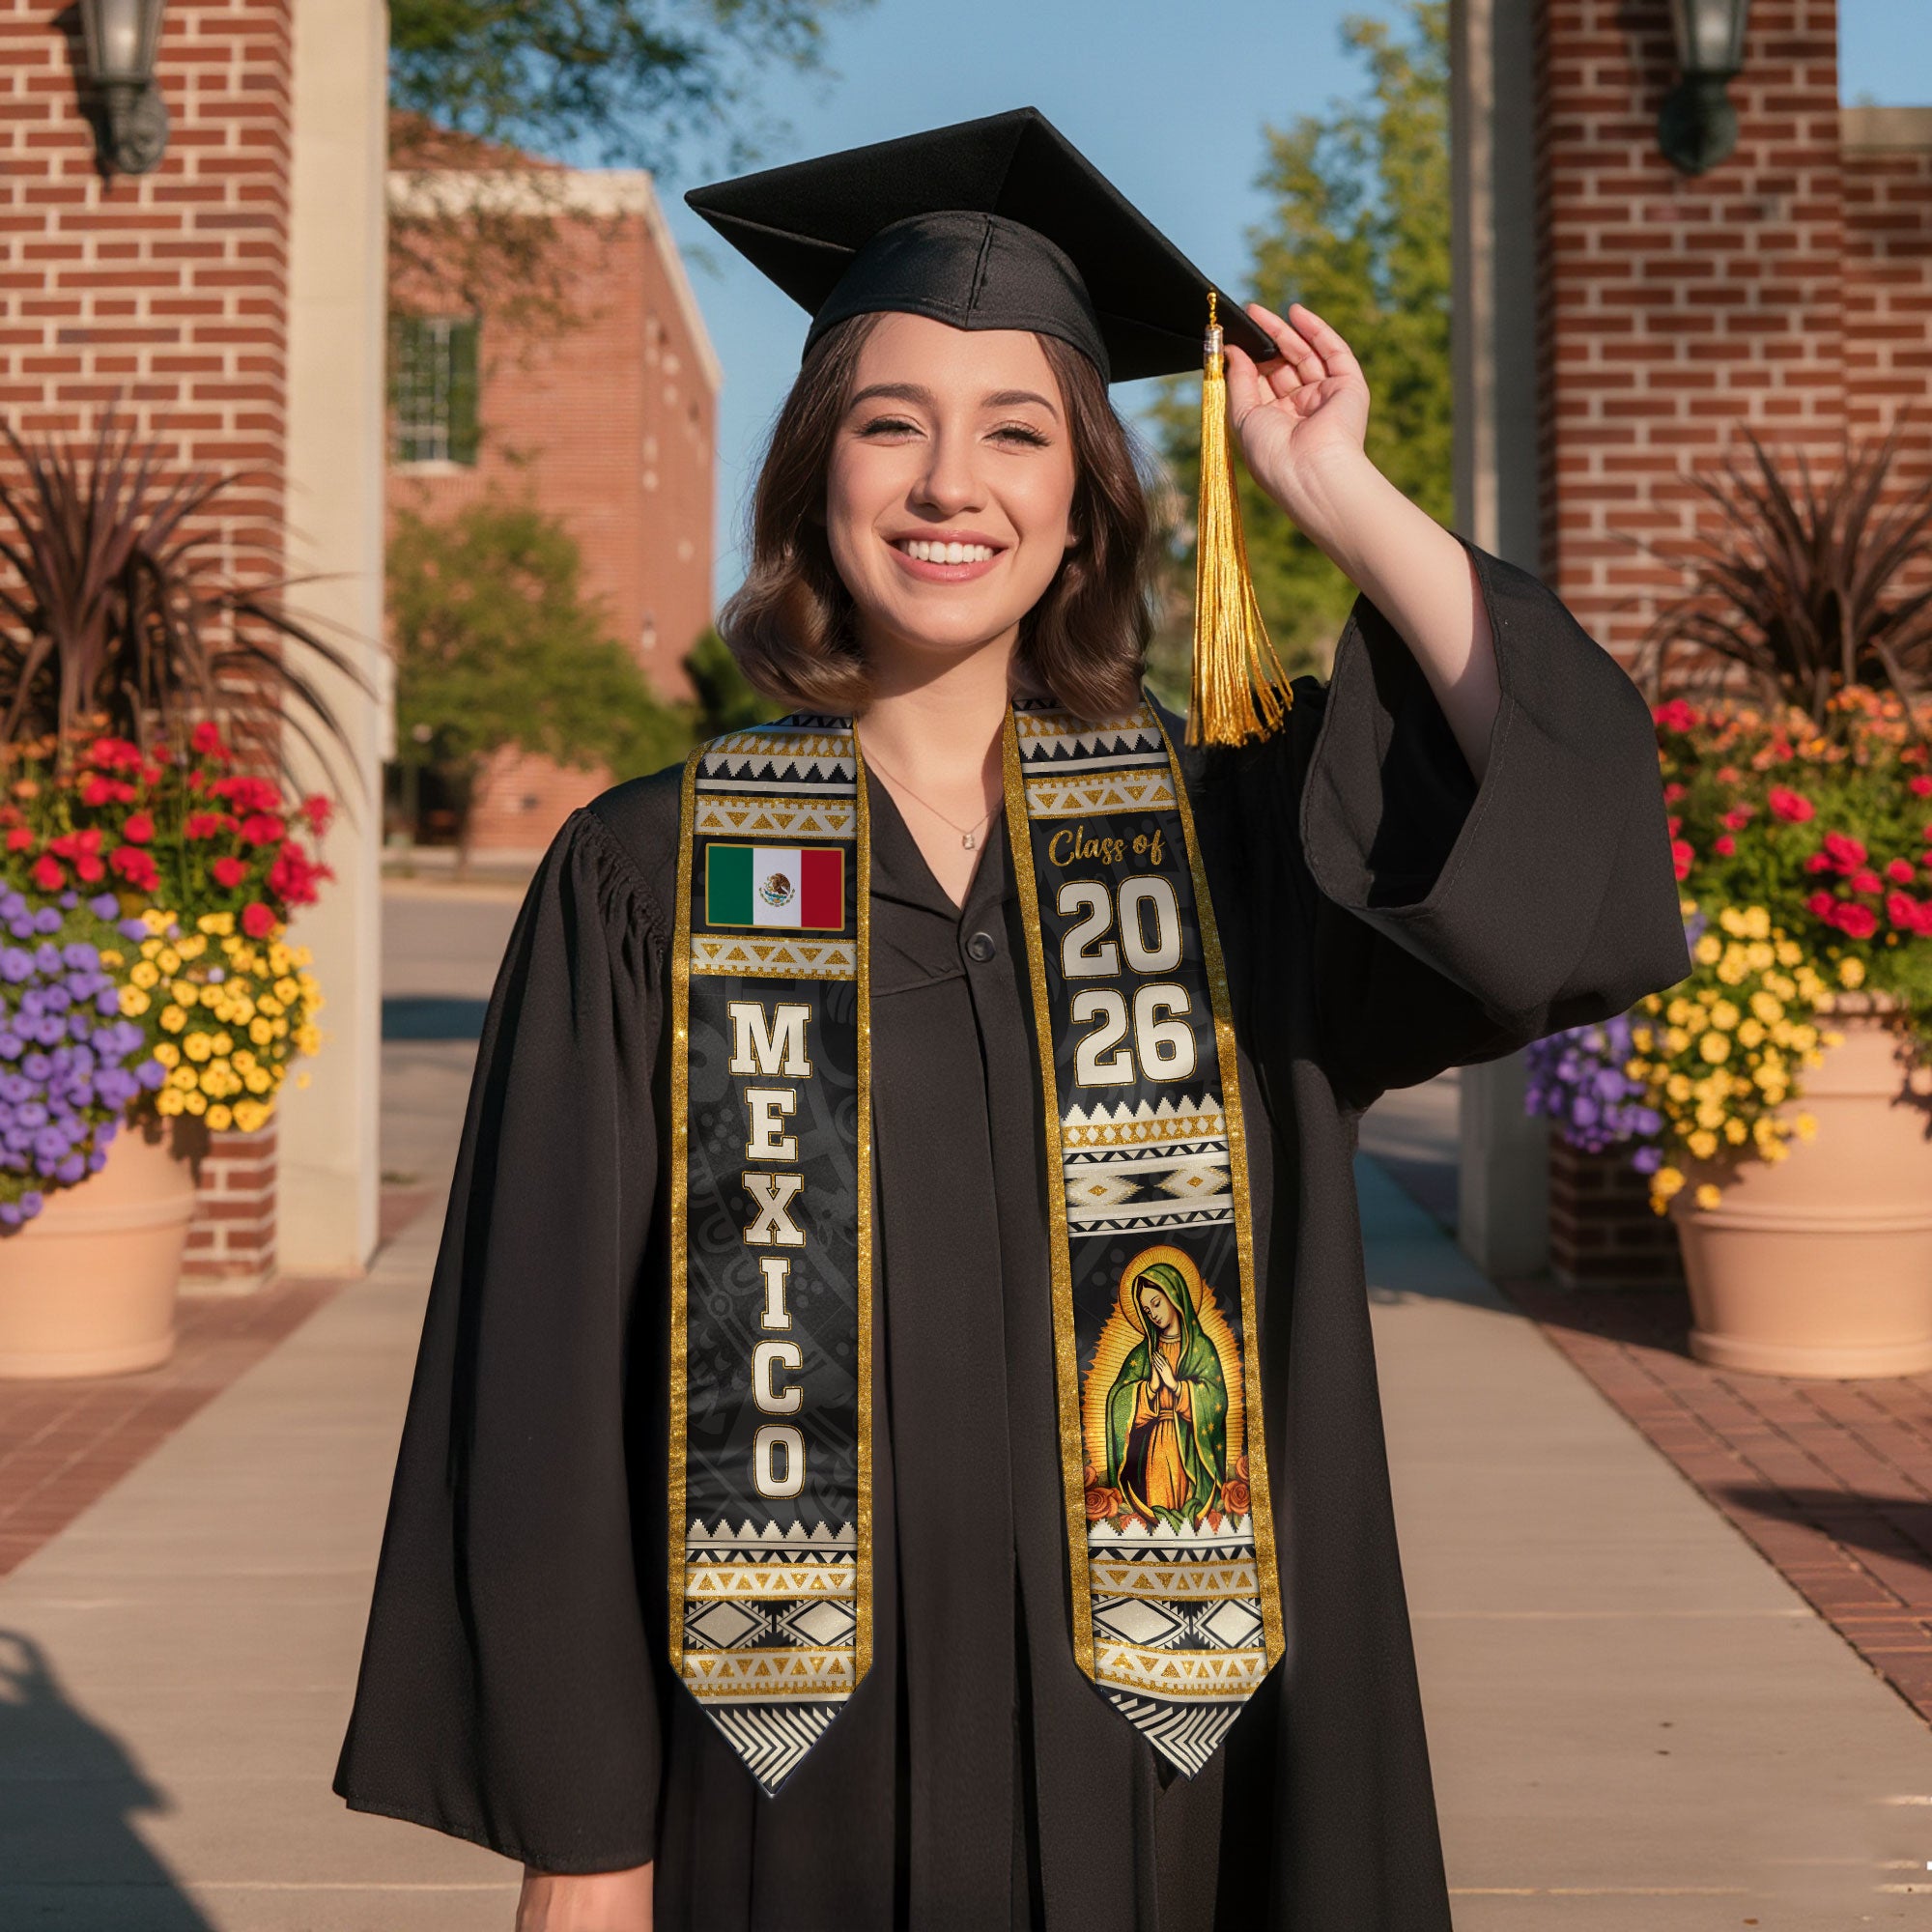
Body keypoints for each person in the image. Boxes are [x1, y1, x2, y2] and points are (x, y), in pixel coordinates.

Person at [333, 108, 1690, 1931]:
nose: (948, 484)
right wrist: (584, 1843)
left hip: (1182, 1780)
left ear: (1083, 505)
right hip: (777, 1784)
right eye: (892, 424)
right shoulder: (652, 876)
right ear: (818, 473)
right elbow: (547, 1383)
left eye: (1016, 433)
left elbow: (1562, 832)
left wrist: (1337, 492)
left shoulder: (1236, 850)